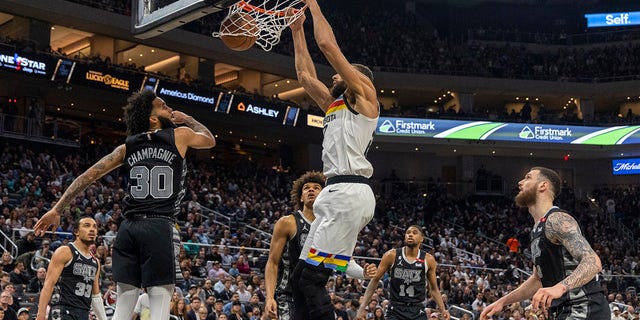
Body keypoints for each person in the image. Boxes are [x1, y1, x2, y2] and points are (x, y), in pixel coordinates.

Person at [33, 89, 216, 320]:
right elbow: (210, 139)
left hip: (128, 230)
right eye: (164, 106)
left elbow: (88, 176)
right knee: (159, 307)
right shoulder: (180, 135)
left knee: (122, 309)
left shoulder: (128, 147)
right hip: (159, 226)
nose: (170, 109)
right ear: (152, 118)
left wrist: (57, 209)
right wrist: (187, 119)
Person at [288, 1, 379, 319]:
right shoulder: (333, 105)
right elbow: (303, 76)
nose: (333, 76)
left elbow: (327, 44)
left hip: (350, 193)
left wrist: (312, 5)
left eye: (341, 73)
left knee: (312, 282)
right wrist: (297, 31)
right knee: (298, 281)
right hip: (336, 193)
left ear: (356, 79)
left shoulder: (366, 99)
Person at [481, 167, 609, 320]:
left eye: (528, 177)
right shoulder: (536, 229)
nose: (520, 182)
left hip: (585, 307)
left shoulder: (557, 219)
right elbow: (537, 280)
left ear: (543, 185)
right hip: (565, 310)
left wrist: (559, 288)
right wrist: (503, 301)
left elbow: (593, 261)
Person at [264, 171, 324, 320]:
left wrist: (362, 273)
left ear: (324, 196)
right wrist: (270, 297)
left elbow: (340, 263)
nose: (311, 190)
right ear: (301, 197)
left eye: (316, 187)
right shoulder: (287, 222)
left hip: (314, 297)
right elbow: (272, 262)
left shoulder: (328, 227)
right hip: (288, 294)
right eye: (306, 188)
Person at [358, 226, 450, 320]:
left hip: (417, 309)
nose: (410, 234)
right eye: (408, 232)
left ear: (421, 238)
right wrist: (362, 307)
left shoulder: (428, 259)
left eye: (414, 233)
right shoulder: (391, 255)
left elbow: (434, 289)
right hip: (395, 309)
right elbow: (375, 280)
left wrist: (443, 310)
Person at [35, 217, 108, 320]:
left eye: (94, 227)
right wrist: (40, 315)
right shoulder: (65, 251)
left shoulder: (95, 262)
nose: (92, 229)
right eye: (87, 226)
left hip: (83, 312)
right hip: (63, 310)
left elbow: (95, 295)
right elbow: (48, 284)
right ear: (76, 232)